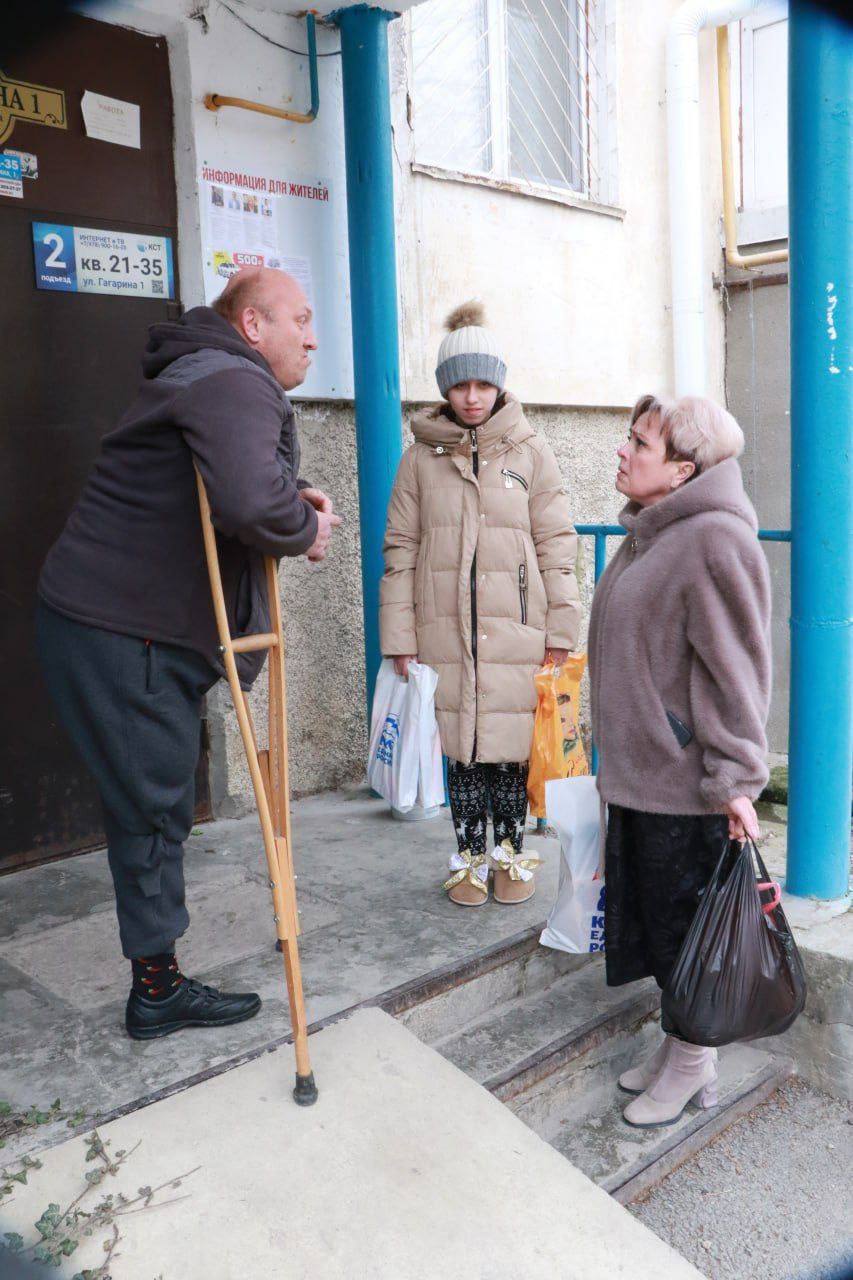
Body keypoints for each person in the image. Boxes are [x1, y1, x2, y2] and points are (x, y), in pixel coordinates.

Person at [36, 267, 341, 1040]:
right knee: (151, 806)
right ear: (252, 326)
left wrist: (292, 493)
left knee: (153, 801)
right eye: (300, 320)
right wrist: (304, 528)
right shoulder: (234, 381)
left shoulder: (207, 373)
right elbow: (249, 501)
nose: (311, 338)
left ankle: (156, 980)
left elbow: (233, 474)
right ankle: (157, 993)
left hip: (113, 619)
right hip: (122, 627)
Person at [588, 393, 771, 1126]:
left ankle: (695, 1064)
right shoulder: (652, 532)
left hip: (685, 787)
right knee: (657, 930)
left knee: (685, 934)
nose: (623, 450)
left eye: (640, 443)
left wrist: (735, 780)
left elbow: (736, 672)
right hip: (641, 778)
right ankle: (679, 1048)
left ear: (683, 470)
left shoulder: (714, 540)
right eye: (629, 437)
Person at [380, 302, 581, 907]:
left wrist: (561, 628)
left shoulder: (530, 451)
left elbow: (556, 543)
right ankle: (469, 858)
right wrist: (400, 637)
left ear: (499, 384)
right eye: (460, 384)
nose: (472, 397)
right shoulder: (420, 458)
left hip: (518, 629)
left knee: (511, 750)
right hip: (444, 632)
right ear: (444, 387)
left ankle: (511, 854)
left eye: (483, 384)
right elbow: (401, 549)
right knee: (462, 751)